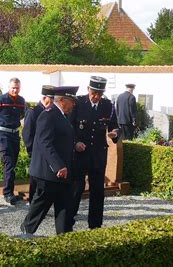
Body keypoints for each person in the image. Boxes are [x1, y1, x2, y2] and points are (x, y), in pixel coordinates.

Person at [20, 86, 78, 236]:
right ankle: (26, 232)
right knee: (40, 206)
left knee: (64, 207)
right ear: (63, 100)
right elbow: (44, 143)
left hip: (62, 174)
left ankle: (64, 237)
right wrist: (58, 166)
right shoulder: (49, 115)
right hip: (49, 173)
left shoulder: (62, 116)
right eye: (72, 101)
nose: (74, 105)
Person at [69, 76, 119, 230]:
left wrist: (115, 133)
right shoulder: (77, 103)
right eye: (94, 93)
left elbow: (115, 126)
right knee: (76, 188)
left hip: (98, 153)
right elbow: (69, 126)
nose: (96, 96)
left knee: (97, 190)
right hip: (80, 153)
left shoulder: (108, 106)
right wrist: (75, 143)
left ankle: (95, 225)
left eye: (99, 93)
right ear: (88, 90)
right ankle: (68, 221)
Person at [0, 78, 26, 205]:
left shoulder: (21, 101)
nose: (15, 90)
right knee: (8, 163)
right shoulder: (0, 100)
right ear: (8, 87)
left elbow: (22, 117)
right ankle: (8, 193)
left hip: (14, 135)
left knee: (12, 164)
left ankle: (10, 189)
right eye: (13, 88)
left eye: (17, 88)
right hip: (3, 135)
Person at [22, 85, 55, 203]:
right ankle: (33, 203)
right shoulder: (34, 112)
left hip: (47, 152)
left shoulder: (51, 112)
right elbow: (27, 134)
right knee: (35, 181)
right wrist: (32, 151)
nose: (52, 103)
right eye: (51, 100)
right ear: (45, 98)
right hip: (36, 153)